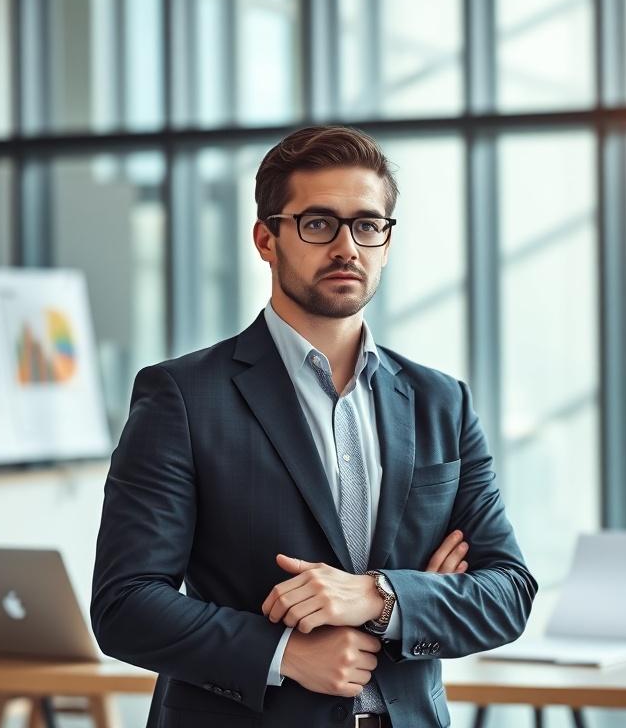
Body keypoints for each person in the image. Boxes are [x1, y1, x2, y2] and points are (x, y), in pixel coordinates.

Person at [91, 125, 537, 727]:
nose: (347, 247)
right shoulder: (183, 396)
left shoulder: (441, 402)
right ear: (266, 238)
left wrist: (383, 597)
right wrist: (284, 653)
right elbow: (126, 604)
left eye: (367, 225)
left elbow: (507, 593)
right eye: (318, 223)